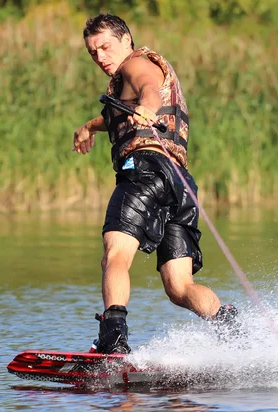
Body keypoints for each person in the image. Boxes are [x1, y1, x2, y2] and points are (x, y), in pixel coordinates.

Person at [72, 14, 238, 354]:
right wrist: (88, 127)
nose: (100, 57)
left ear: (126, 41)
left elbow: (148, 88)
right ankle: (234, 333)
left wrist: (149, 106)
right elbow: (113, 116)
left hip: (145, 170)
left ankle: (113, 341)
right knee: (180, 288)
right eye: (93, 52)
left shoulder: (136, 65)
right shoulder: (124, 82)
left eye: (105, 47)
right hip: (180, 184)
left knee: (115, 254)